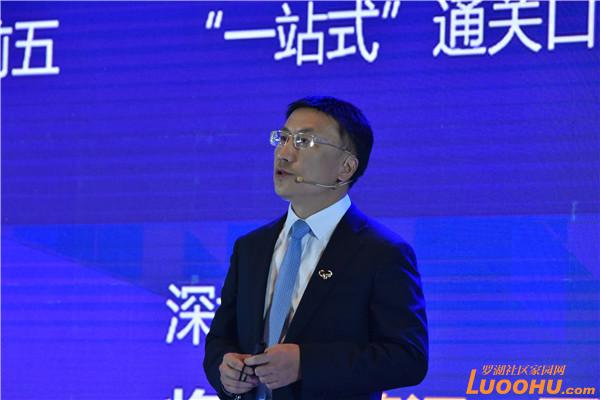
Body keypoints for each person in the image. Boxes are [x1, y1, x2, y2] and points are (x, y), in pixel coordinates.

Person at [203, 96, 428, 400]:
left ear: (346, 167)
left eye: (304, 141)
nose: (284, 154)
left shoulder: (382, 252)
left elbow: (408, 358)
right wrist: (225, 370)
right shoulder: (251, 248)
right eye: (283, 138)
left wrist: (305, 364)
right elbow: (220, 338)